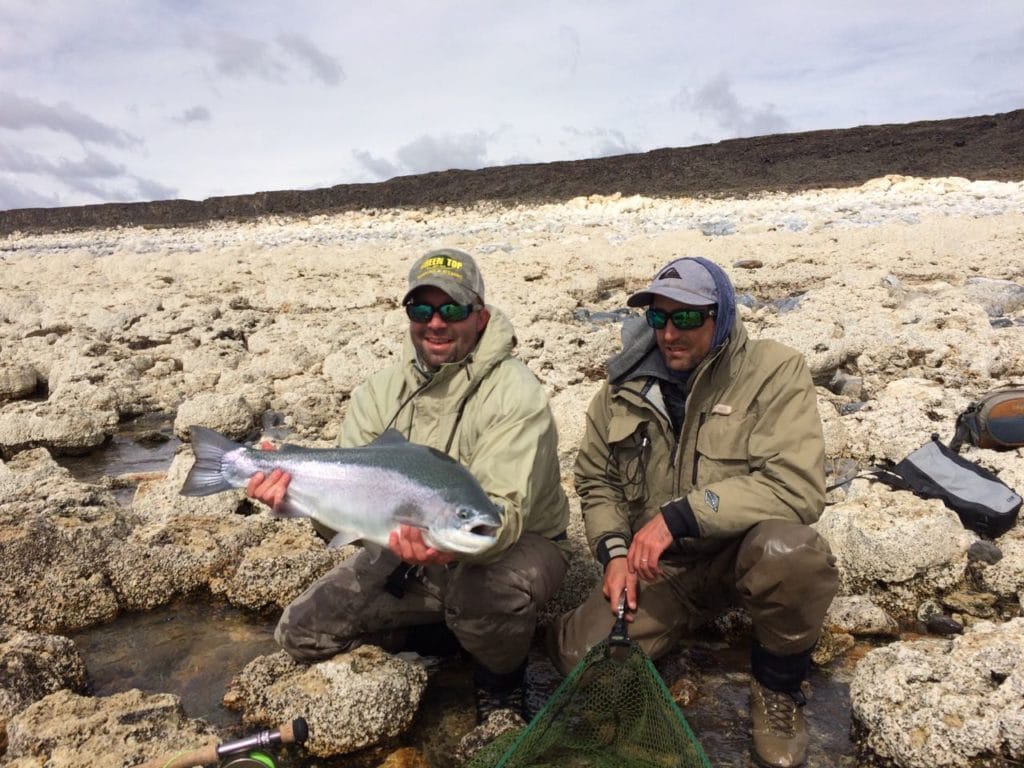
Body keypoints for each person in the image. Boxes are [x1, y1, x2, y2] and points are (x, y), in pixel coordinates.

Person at [247, 247, 570, 723]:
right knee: (301, 633)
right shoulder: (379, 393)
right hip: (405, 548)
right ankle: (445, 636)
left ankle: (499, 681)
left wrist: (448, 548)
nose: (436, 323)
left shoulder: (515, 392)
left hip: (516, 544)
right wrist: (292, 497)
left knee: (482, 594)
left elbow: (502, 516)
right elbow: (346, 511)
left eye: (452, 310)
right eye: (422, 309)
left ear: (479, 317)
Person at [547, 256, 838, 768]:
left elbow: (797, 486)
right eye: (659, 318)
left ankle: (779, 687)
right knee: (580, 660)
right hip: (662, 570)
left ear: (721, 316)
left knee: (794, 552)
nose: (669, 334)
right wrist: (615, 556)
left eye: (687, 318)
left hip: (742, 552)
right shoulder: (620, 390)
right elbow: (597, 482)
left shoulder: (774, 371)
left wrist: (683, 515)